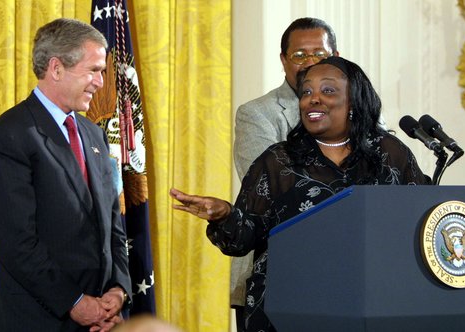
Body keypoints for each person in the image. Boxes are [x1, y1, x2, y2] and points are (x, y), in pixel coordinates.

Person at [170, 56, 430, 331]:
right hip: (289, 310)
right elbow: (244, 238)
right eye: (307, 91)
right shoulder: (279, 161)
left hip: (375, 302)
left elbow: (419, 221)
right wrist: (224, 215)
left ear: (353, 101)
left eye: (327, 90)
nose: (313, 99)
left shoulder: (389, 152)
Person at [0, 18, 132, 331]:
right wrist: (74, 302)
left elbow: (112, 222)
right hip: (39, 319)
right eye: (93, 71)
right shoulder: (10, 136)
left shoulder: (93, 135)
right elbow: (16, 243)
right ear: (56, 68)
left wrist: (118, 289)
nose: (101, 82)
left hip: (101, 319)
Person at [231, 17, 339, 330]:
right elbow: (275, 186)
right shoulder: (257, 114)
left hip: (347, 272)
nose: (310, 62)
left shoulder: (362, 112)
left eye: (319, 53)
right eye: (300, 55)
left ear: (336, 57)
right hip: (274, 274)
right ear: (283, 61)